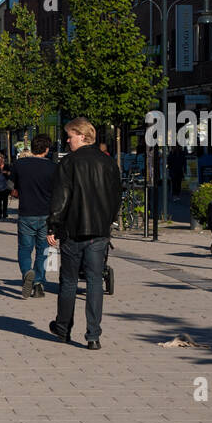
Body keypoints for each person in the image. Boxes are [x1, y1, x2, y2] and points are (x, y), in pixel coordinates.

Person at [47, 118, 122, 351]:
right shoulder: (108, 163)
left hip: (73, 230)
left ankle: (63, 328)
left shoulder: (69, 163)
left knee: (68, 281)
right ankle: (93, 335)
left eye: (70, 136)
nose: (67, 140)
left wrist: (53, 227)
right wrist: (108, 220)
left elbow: (61, 198)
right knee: (94, 281)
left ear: (82, 135)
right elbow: (116, 196)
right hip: (99, 231)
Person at [12, 134, 58, 299]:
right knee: (43, 251)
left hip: (26, 213)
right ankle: (38, 283)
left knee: (24, 249)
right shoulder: (53, 168)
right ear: (47, 149)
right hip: (45, 215)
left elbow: (13, 187)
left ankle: (26, 273)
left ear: (32, 148)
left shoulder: (19, 165)